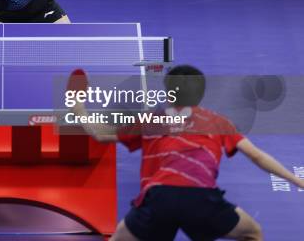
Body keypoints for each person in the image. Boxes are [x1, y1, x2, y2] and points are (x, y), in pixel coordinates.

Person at [70, 66, 304, 241]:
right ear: (201, 95)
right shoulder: (218, 122)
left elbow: (101, 134)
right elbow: (257, 156)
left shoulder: (152, 120)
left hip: (158, 198)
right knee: (252, 233)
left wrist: (78, 108)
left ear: (169, 94)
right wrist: (295, 180)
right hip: (201, 198)